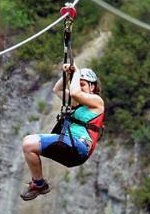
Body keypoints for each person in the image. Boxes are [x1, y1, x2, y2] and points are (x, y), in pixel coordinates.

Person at [20, 64, 105, 201]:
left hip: (79, 146)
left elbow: (75, 93)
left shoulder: (97, 102)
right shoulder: (77, 105)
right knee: (27, 144)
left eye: (82, 84)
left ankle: (38, 184)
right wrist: (67, 75)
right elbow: (57, 89)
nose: (78, 86)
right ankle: (39, 183)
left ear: (92, 87)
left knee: (29, 143)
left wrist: (76, 72)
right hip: (71, 146)